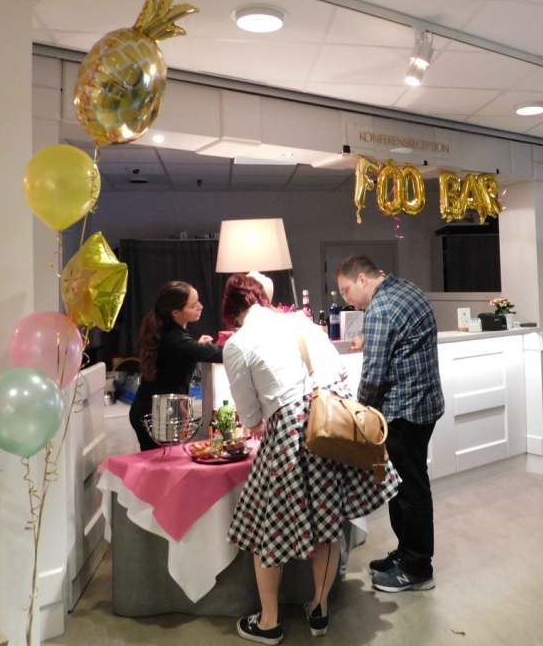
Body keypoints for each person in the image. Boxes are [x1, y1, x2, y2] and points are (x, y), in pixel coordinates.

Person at [222, 274, 399, 644]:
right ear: (264, 300)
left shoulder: (237, 343)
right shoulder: (299, 321)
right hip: (329, 425)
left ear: (233, 311)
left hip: (288, 431)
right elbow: (339, 372)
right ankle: (319, 609)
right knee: (327, 523)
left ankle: (269, 622)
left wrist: (262, 419)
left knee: (269, 529)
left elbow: (250, 416)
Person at [336, 255, 444, 593]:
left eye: (346, 290)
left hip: (403, 411)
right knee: (404, 486)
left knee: (408, 490)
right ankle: (406, 554)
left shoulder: (379, 310)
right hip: (424, 405)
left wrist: (358, 414)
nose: (346, 299)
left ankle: (417, 568)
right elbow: (402, 343)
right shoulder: (405, 288)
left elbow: (373, 376)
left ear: (362, 279)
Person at [131, 281, 225, 451]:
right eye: (193, 305)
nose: (201, 307)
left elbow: (179, 353)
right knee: (163, 461)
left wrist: (196, 347)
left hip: (151, 408)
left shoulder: (168, 332)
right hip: (157, 415)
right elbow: (221, 354)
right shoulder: (177, 341)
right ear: (175, 312)